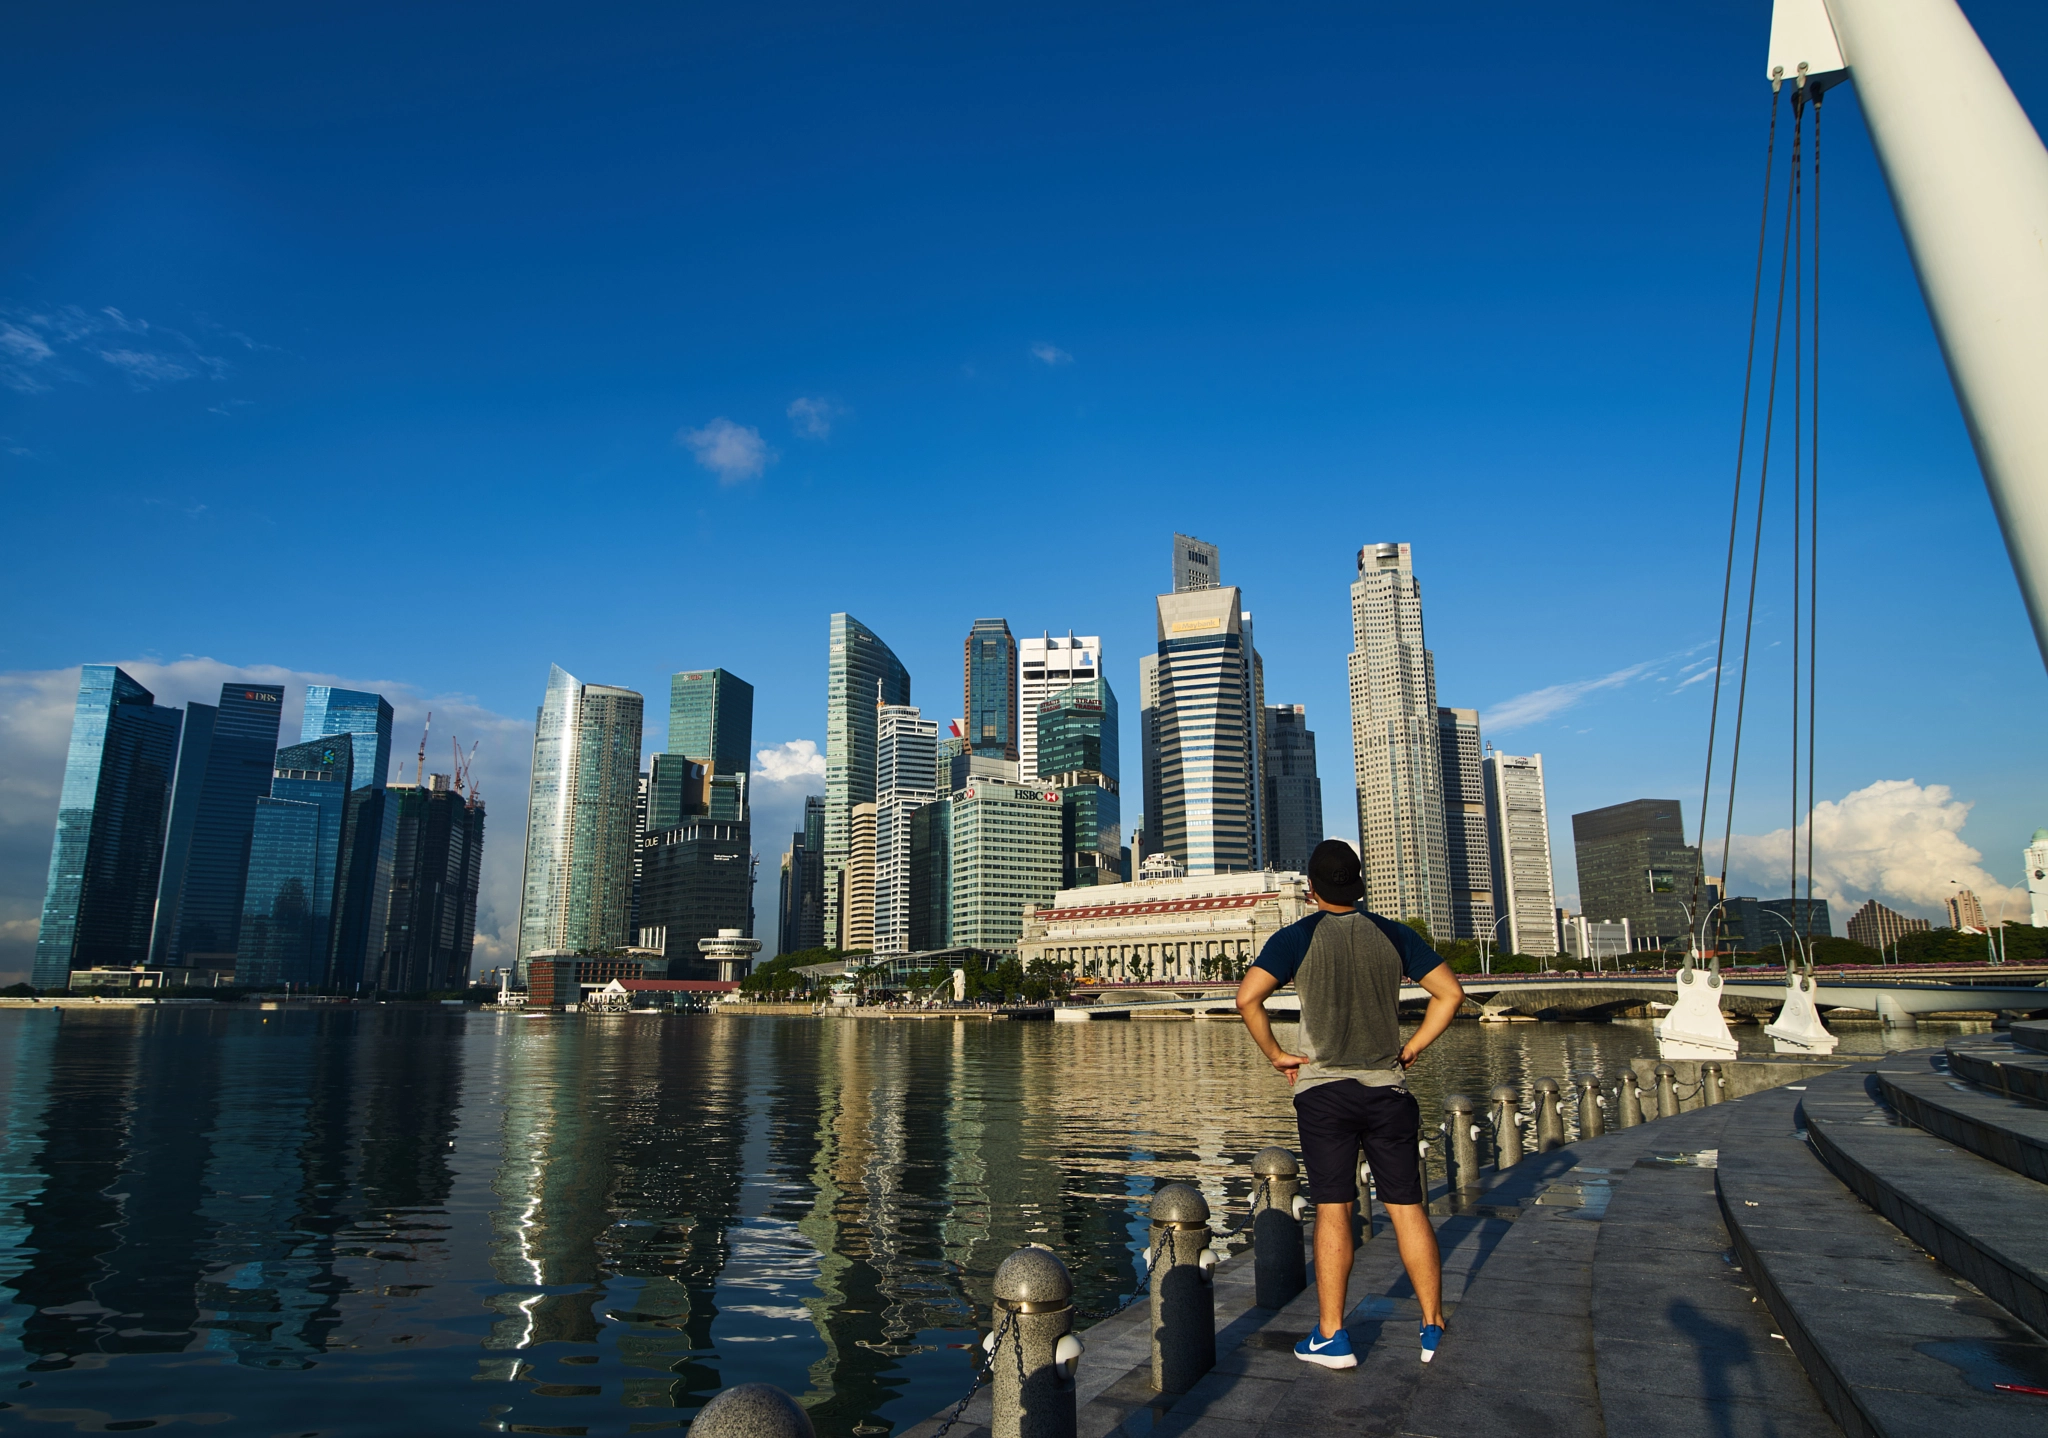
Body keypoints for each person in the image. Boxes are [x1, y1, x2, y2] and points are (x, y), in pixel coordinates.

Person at [1233, 839, 1465, 1368]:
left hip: (1323, 1093)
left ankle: (1333, 1335)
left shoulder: (1296, 937)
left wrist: (1277, 1055)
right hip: (1388, 1089)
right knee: (1408, 1208)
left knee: (1334, 1208)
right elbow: (1450, 993)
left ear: (1310, 889)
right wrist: (1412, 1048)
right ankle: (1431, 1325)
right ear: (1357, 885)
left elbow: (1247, 998)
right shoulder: (1394, 934)